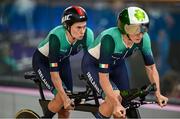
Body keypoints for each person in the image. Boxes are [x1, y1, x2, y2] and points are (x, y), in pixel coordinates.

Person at [82, 6, 168, 118]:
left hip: (117, 64)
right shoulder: (110, 39)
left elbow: (151, 68)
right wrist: (116, 104)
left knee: (125, 102)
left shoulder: (144, 39)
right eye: (134, 29)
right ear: (123, 28)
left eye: (143, 28)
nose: (140, 34)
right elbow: (103, 77)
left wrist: (158, 94)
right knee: (114, 99)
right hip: (94, 65)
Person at [32, 5, 94, 118]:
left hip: (63, 60)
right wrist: (64, 98)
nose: (83, 31)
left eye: (84, 27)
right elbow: (54, 73)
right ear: (67, 26)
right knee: (62, 98)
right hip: (43, 62)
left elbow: (91, 63)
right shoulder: (56, 37)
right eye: (78, 27)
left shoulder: (88, 35)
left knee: (66, 108)